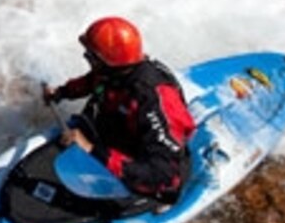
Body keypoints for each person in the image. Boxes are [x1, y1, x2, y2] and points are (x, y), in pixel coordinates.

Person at [42, 16, 196, 207]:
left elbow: (162, 176)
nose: (86, 58)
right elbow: (94, 80)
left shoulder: (151, 100)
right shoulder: (115, 71)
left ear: (103, 61)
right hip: (113, 137)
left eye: (89, 56)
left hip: (143, 169)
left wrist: (92, 150)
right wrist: (62, 92)